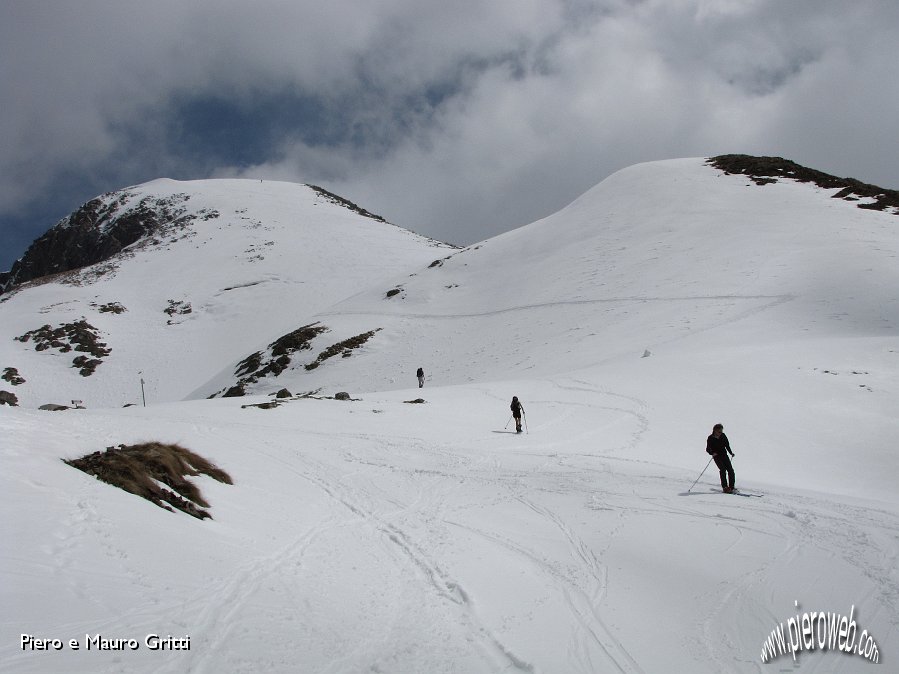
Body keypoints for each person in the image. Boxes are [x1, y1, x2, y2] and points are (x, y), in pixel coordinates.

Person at [706, 423, 735, 493]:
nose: (720, 433)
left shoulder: (723, 436)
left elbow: (727, 445)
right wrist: (712, 453)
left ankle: (731, 487)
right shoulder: (710, 438)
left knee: (730, 470)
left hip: (724, 455)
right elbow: (707, 449)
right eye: (719, 431)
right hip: (717, 456)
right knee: (723, 469)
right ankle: (725, 487)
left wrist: (731, 453)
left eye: (721, 431)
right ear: (715, 430)